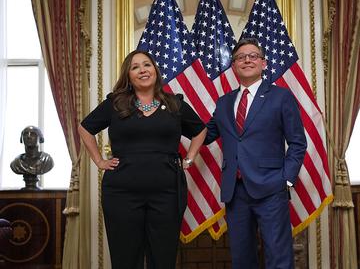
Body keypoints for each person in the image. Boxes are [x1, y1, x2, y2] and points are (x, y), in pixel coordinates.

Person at [78, 50, 206, 269]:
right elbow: (85, 128)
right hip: (121, 193)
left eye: (147, 65)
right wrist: (99, 161)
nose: (142, 70)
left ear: (155, 70)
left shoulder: (175, 104)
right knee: (125, 257)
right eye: (135, 67)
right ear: (128, 75)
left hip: (167, 192)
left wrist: (190, 158)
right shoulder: (115, 103)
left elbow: (200, 130)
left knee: (163, 257)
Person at [205, 38, 307, 269]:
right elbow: (206, 134)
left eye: (253, 56)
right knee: (242, 259)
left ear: (263, 63)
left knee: (278, 256)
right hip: (235, 191)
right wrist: (172, 113)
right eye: (241, 57)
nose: (247, 60)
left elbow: (298, 143)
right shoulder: (224, 103)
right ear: (234, 66)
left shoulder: (281, 97)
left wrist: (287, 179)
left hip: (272, 189)